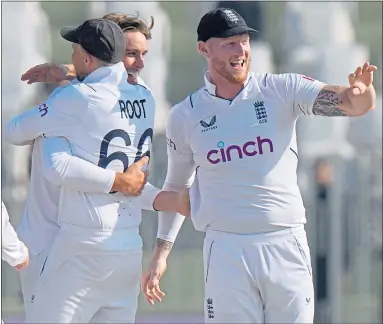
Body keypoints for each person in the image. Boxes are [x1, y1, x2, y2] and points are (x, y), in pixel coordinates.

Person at [141, 8, 377, 323]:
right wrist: (161, 253)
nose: (241, 51)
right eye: (229, 44)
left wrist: (364, 93)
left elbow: (350, 103)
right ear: (204, 49)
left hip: (284, 243)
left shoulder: (280, 89)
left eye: (244, 41)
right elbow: (175, 187)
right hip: (226, 250)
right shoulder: (185, 115)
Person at [4, 18, 188, 323]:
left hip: (74, 246)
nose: (138, 64)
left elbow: (30, 145)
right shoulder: (146, 98)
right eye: (131, 53)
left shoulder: (72, 100)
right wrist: (73, 73)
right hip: (126, 247)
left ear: (88, 57)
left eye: (75, 52)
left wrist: (66, 89)